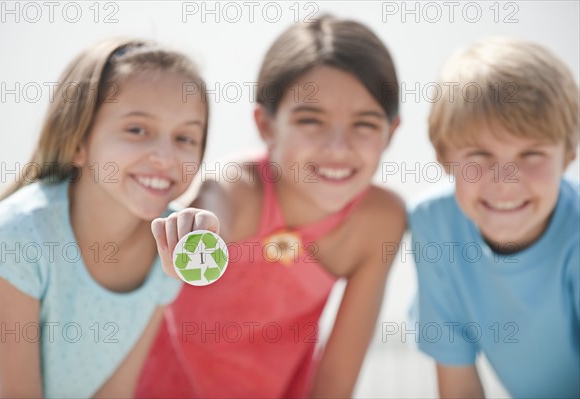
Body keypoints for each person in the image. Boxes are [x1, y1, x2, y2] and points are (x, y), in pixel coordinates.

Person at [136, 15, 406, 398]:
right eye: (311, 120)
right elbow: (215, 206)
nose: (338, 147)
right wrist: (196, 230)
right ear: (266, 126)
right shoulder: (241, 187)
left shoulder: (380, 220)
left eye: (364, 124)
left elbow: (334, 383)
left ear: (390, 133)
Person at [0, 38, 209, 398]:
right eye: (137, 130)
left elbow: (116, 390)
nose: (165, 156)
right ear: (78, 143)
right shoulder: (16, 237)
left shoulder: (170, 247)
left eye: (185, 137)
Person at [409, 38, 579, 398]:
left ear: (569, 153)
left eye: (532, 153)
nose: (504, 181)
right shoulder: (434, 225)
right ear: (443, 156)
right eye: (479, 153)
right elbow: (458, 384)